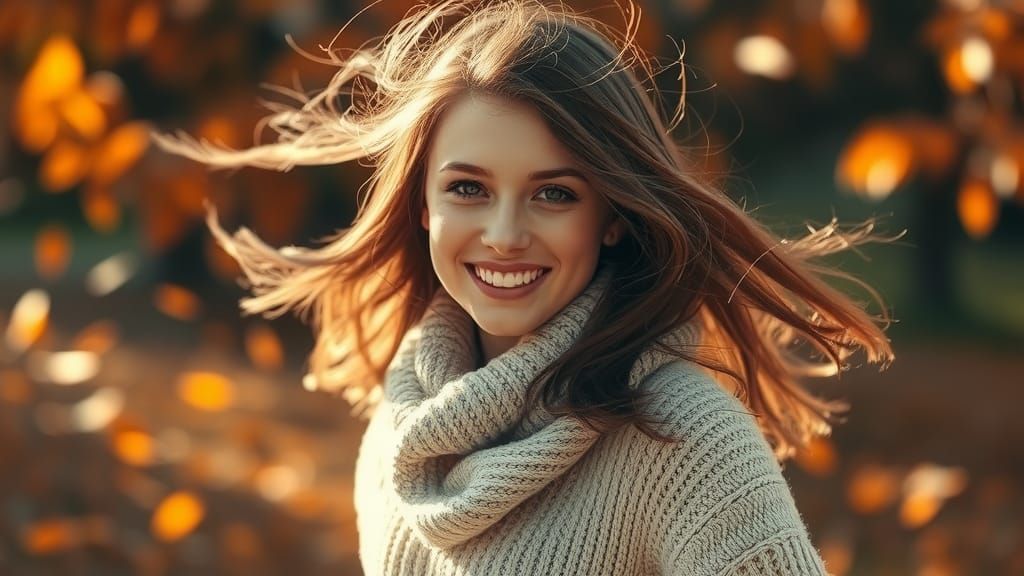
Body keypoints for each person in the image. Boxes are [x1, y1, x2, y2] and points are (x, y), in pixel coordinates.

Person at [154, 1, 899, 573]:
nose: (505, 235)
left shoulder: (686, 438)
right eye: (469, 189)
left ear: (612, 216)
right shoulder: (400, 425)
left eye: (554, 194)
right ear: (422, 204)